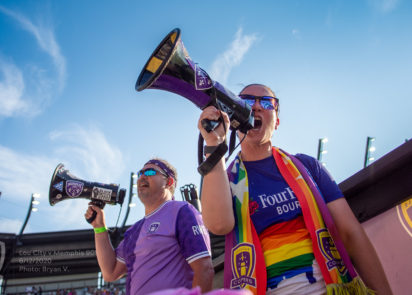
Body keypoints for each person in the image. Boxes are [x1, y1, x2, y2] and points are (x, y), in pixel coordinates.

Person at [197, 84, 392, 295]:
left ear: (277, 122)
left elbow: (351, 233)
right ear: (233, 119)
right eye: (246, 101)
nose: (255, 107)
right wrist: (214, 144)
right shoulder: (223, 180)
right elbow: (218, 225)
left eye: (265, 102)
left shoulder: (308, 167)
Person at [85, 158, 214, 295]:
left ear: (169, 182)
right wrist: (99, 228)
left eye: (151, 171)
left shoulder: (182, 211)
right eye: (140, 173)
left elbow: (204, 268)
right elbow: (110, 272)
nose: (142, 177)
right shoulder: (134, 231)